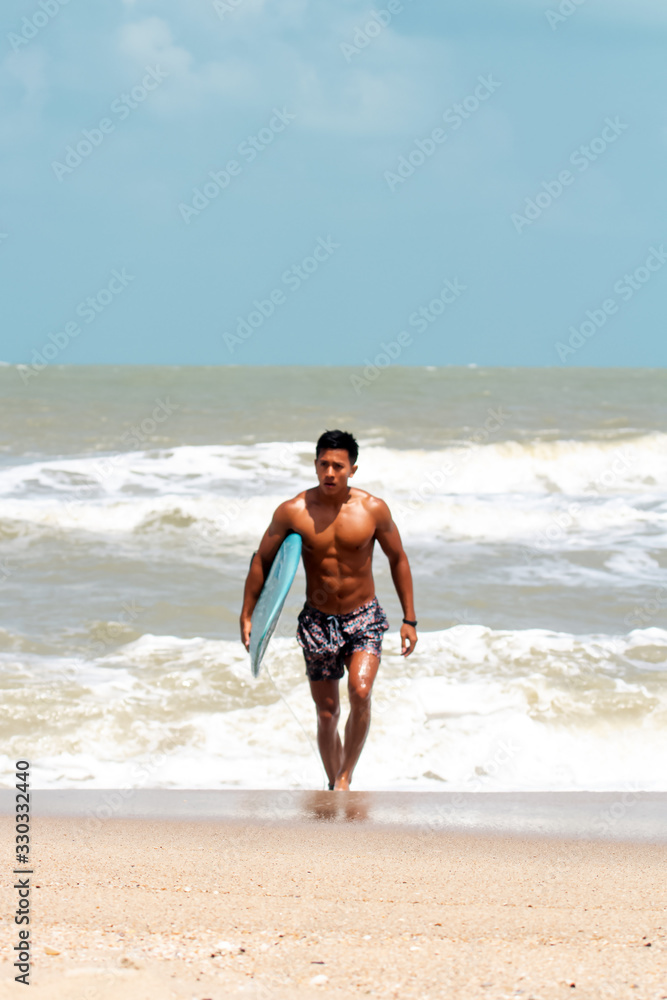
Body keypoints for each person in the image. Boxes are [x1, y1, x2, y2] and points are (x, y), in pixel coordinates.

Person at [240, 429, 417, 790]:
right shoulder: (293, 511)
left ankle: (345, 777)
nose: (330, 473)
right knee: (327, 714)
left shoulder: (373, 509)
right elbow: (262, 560)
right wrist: (247, 615)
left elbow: (398, 558)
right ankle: (333, 783)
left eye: (338, 466)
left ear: (353, 469)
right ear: (315, 465)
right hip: (317, 621)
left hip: (363, 616)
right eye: (324, 464)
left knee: (361, 691)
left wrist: (409, 619)